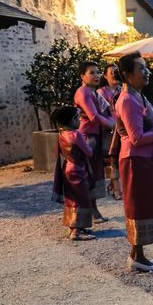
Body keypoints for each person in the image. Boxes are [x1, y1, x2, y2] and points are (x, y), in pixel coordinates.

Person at [115, 52, 153, 272]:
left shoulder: (138, 96)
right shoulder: (127, 100)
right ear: (127, 75)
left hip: (144, 159)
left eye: (146, 67)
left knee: (144, 205)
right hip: (135, 159)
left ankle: (139, 255)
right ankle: (136, 256)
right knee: (138, 207)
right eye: (141, 69)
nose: (146, 72)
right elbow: (136, 138)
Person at [74, 61, 114, 223]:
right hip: (87, 137)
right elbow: (93, 117)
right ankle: (89, 213)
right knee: (89, 174)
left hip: (96, 135)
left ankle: (94, 210)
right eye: (92, 72)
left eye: (98, 72)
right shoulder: (83, 93)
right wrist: (113, 124)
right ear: (82, 76)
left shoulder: (94, 93)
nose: (96, 75)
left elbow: (107, 111)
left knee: (96, 173)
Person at [51, 106, 95, 241]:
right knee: (82, 199)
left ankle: (74, 225)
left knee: (71, 198)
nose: (80, 120)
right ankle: (76, 231)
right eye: (78, 117)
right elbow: (89, 152)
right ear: (73, 120)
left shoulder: (61, 134)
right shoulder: (76, 135)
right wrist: (91, 143)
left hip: (67, 168)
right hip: (78, 169)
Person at [97, 64, 122, 200]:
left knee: (119, 158)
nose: (114, 75)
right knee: (112, 159)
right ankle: (116, 188)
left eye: (115, 72)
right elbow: (100, 112)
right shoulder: (101, 93)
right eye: (111, 73)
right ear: (105, 76)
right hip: (109, 131)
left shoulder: (121, 90)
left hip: (121, 129)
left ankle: (114, 185)